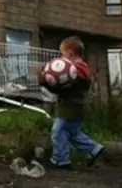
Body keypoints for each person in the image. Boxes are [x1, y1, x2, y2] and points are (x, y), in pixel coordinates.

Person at [36, 36, 104, 169]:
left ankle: (60, 159)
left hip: (69, 107)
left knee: (58, 131)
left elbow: (60, 89)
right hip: (79, 107)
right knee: (73, 133)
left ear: (70, 53)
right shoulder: (82, 70)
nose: (62, 57)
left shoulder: (72, 71)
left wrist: (44, 80)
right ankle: (93, 149)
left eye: (62, 53)